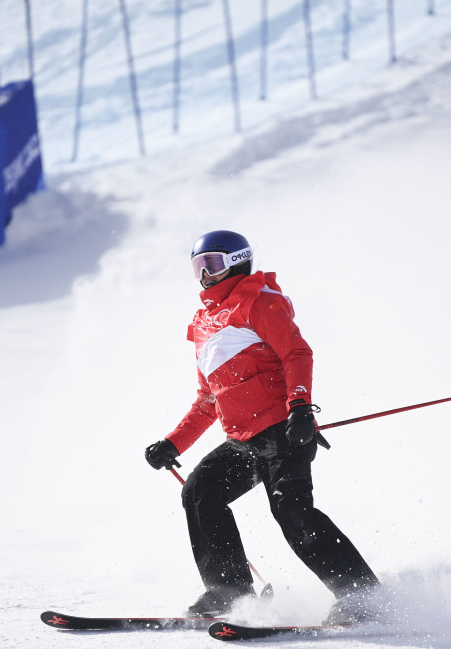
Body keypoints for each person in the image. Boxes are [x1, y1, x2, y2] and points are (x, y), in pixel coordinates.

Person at [145, 230, 383, 625]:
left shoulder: (259, 300)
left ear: (237, 261)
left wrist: (301, 409)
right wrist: (174, 443)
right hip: (242, 440)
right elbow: (208, 398)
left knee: (291, 510)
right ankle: (229, 592)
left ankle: (361, 594)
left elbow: (296, 352)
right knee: (200, 492)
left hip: (283, 431)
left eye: (213, 264)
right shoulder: (203, 323)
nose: (205, 275)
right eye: (198, 268)